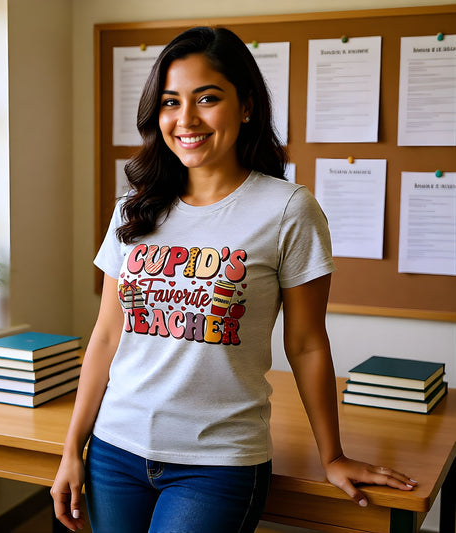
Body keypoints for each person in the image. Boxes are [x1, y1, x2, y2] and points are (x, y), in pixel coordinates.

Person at [51, 26, 417, 533]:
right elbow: (107, 335)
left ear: (246, 106)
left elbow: (308, 344)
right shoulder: (134, 210)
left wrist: (332, 455)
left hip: (216, 462)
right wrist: (73, 448)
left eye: (207, 98)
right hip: (114, 451)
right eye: (170, 102)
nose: (186, 119)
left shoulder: (288, 209)